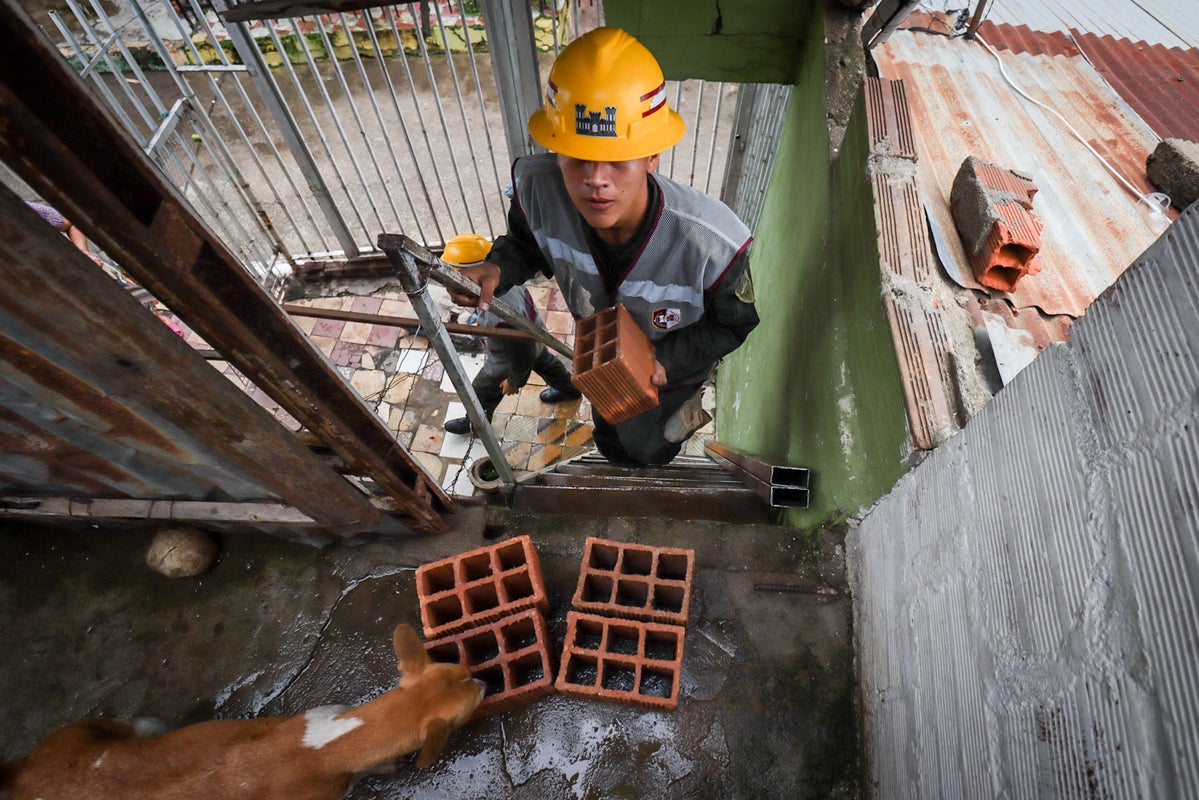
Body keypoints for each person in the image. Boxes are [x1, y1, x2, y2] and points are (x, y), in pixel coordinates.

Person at [449, 27, 759, 466]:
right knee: (610, 430)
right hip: (599, 358)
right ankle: (612, 448)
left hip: (670, 378)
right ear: (555, 150)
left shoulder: (713, 245)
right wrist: (498, 268)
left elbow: (733, 324)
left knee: (651, 445)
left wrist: (663, 360)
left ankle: (647, 462)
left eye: (617, 159)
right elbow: (526, 244)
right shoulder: (538, 192)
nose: (596, 179)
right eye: (578, 157)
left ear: (652, 155)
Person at [441, 233, 581, 435]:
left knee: (480, 394)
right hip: (537, 338)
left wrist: (515, 382)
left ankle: (476, 425)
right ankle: (570, 390)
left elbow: (522, 355)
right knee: (549, 366)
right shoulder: (506, 278)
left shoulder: (498, 315)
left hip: (502, 365)